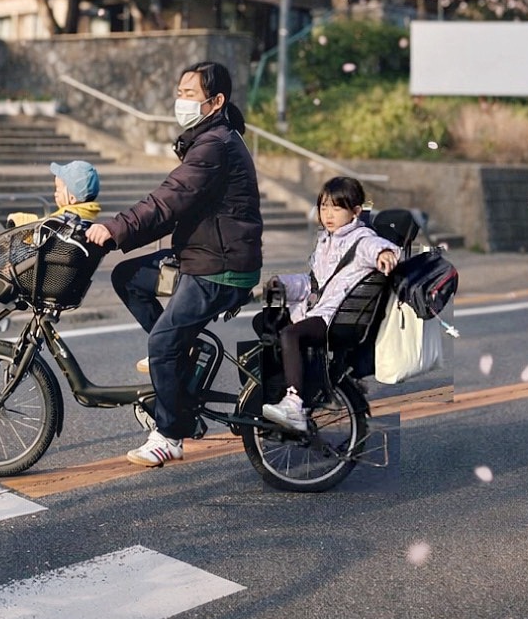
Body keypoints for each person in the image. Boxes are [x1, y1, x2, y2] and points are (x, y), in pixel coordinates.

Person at [85, 61, 263, 468]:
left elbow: (169, 200)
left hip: (221, 266)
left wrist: (115, 230)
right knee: (130, 277)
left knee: (161, 343)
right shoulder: (209, 139)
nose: (180, 101)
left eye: (188, 94)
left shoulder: (215, 144)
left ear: (215, 101)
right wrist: (119, 238)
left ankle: (171, 433)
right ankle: (184, 354)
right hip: (202, 255)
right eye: (179, 92)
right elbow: (170, 207)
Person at [263, 176, 398, 431]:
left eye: (337, 207)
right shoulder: (327, 239)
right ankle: (286, 387)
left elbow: (375, 246)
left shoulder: (360, 239)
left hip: (335, 317)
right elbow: (314, 284)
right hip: (319, 310)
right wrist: (281, 283)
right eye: (324, 206)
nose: (328, 214)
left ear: (355, 211)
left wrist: (385, 254)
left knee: (290, 335)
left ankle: (294, 404)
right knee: (267, 320)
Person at [5, 160, 102, 228]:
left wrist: (18, 220)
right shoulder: (87, 216)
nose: (55, 194)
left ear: (72, 198)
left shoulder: (66, 220)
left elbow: (40, 227)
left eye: (58, 190)